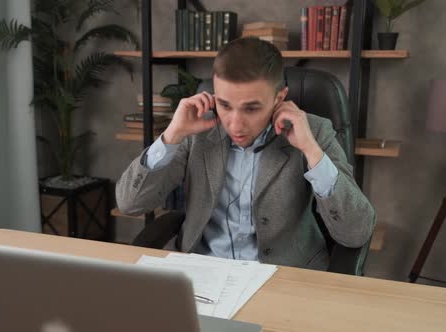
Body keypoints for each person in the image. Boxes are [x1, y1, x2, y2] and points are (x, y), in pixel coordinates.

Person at [116, 38, 375, 270]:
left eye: (251, 109)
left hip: (283, 278)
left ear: (279, 98)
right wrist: (172, 136)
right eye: (225, 105)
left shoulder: (315, 131)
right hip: (201, 270)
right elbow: (130, 203)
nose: (235, 124)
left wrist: (311, 150)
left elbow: (356, 232)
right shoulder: (195, 129)